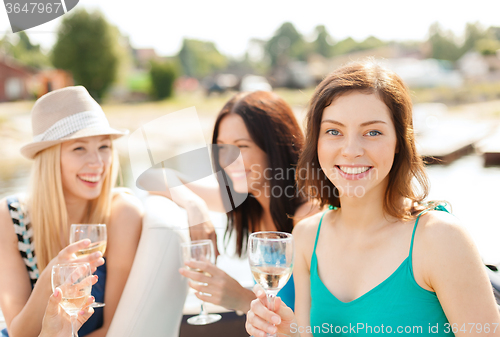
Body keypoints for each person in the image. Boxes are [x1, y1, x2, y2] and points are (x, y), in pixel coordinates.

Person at [245, 60, 500, 336]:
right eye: (334, 131)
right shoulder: (307, 236)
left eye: (373, 132)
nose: (351, 149)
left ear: (400, 142)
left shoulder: (440, 238)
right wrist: (287, 332)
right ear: (316, 142)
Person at [151, 91, 321, 313]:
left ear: (274, 147)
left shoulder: (311, 217)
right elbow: (155, 177)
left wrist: (242, 299)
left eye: (242, 146)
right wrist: (195, 206)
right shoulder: (246, 203)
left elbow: (320, 325)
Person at [0, 86, 143, 337]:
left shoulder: (121, 213)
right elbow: (19, 333)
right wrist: (50, 278)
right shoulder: (11, 218)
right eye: (79, 148)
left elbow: (115, 331)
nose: (98, 163)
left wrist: (193, 205)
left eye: (104, 147)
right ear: (50, 158)